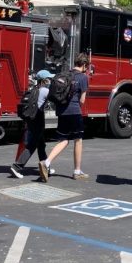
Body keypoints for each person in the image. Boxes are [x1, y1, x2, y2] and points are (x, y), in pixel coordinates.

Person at [40, 53, 90, 181]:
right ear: (84, 65)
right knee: (78, 140)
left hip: (62, 111)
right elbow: (83, 101)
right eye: (87, 66)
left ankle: (47, 162)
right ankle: (77, 171)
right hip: (74, 111)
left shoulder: (66, 74)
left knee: (63, 140)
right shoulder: (83, 77)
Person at [10, 70, 54, 179]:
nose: (50, 81)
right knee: (32, 145)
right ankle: (17, 167)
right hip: (38, 119)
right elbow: (55, 99)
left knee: (41, 145)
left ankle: (45, 168)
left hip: (32, 118)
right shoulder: (44, 90)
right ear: (44, 80)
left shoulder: (35, 89)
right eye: (49, 79)